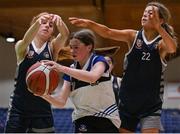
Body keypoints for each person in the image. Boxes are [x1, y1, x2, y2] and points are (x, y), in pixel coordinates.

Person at [69, 1, 177, 133]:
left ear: (160, 20)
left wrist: (159, 28)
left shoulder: (161, 43)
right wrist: (89, 24)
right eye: (144, 12)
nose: (144, 15)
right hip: (127, 102)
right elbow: (108, 32)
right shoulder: (133, 36)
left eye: (150, 14)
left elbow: (172, 49)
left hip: (150, 104)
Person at [39, 29, 121, 133]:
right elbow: (60, 102)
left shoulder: (99, 61)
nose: (72, 51)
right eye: (71, 47)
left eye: (76, 47)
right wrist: (43, 94)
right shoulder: (71, 70)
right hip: (83, 118)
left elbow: (92, 77)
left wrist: (62, 68)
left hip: (107, 118)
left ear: (89, 47)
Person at [5, 12, 69, 133]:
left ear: (52, 32)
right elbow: (26, 39)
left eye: (50, 25)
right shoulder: (22, 46)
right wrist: (38, 22)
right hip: (19, 108)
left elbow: (65, 35)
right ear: (35, 25)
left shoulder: (52, 47)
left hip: (42, 109)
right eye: (43, 23)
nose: (46, 26)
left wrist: (60, 22)